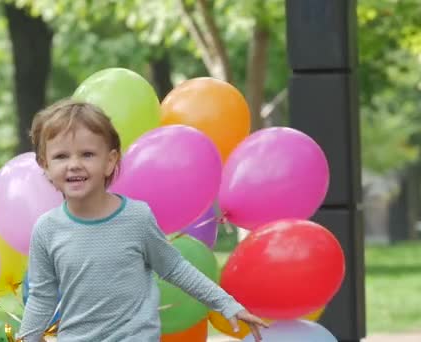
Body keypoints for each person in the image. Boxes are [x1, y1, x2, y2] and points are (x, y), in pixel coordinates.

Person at [16, 99, 267, 342]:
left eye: (87, 154)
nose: (74, 165)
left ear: (110, 161)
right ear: (45, 165)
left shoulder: (136, 217)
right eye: (61, 156)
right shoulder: (47, 229)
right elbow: (41, 296)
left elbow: (174, 268)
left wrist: (226, 304)